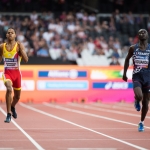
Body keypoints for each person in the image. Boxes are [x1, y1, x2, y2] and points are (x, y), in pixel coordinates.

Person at [122, 29, 150, 132]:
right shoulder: (133, 48)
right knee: (139, 96)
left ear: (147, 35)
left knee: (146, 102)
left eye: (144, 32)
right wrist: (124, 74)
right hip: (137, 76)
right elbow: (126, 59)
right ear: (138, 36)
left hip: (148, 77)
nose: (142, 33)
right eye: (140, 32)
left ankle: (141, 122)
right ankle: (137, 100)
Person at [0, 28, 28, 123]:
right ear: (6, 35)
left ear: (15, 35)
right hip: (7, 73)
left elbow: (26, 59)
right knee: (8, 89)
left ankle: (12, 106)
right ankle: (8, 114)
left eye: (12, 32)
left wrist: (21, 50)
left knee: (17, 97)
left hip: (17, 74)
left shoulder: (19, 46)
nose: (10, 34)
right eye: (8, 33)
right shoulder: (2, 46)